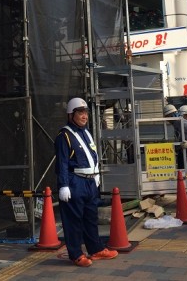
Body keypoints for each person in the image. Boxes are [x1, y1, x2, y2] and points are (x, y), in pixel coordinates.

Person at [55, 98, 118, 267]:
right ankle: (76, 254)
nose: (84, 116)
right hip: (75, 182)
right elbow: (62, 163)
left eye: (85, 113)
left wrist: (95, 174)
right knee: (73, 220)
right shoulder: (64, 136)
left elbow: (93, 155)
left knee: (91, 217)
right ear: (71, 114)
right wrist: (64, 185)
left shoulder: (86, 132)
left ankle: (95, 249)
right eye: (80, 113)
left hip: (90, 183)